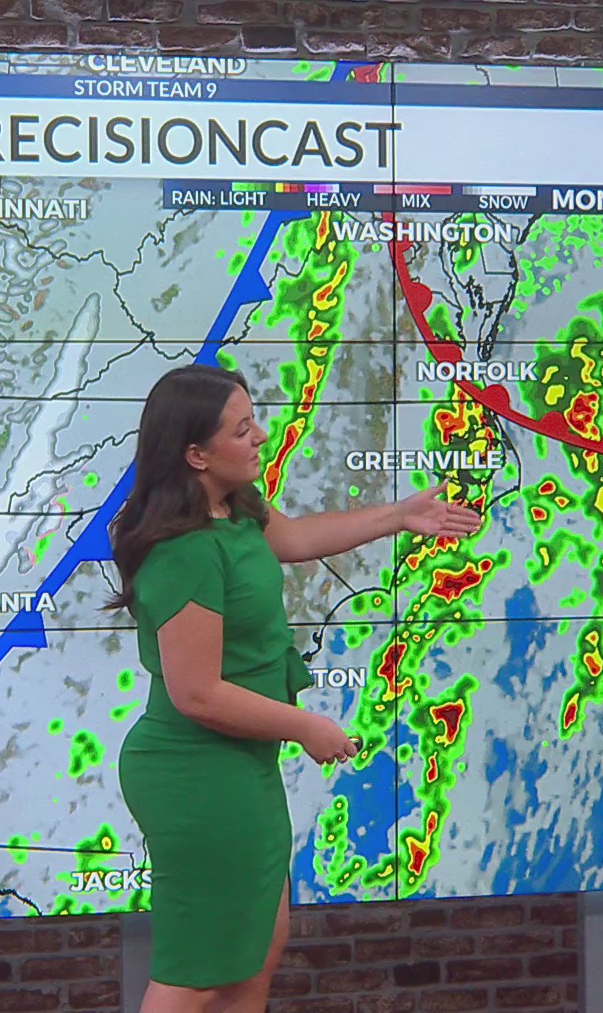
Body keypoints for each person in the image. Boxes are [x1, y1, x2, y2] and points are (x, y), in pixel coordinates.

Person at [105, 363, 485, 1012]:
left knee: (257, 950)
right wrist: (305, 726)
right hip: (194, 775)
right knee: (200, 971)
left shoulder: (235, 511)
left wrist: (400, 515)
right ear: (196, 454)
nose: (260, 436)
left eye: (253, 421)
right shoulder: (186, 551)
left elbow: (300, 538)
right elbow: (197, 694)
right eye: (241, 429)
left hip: (240, 768)